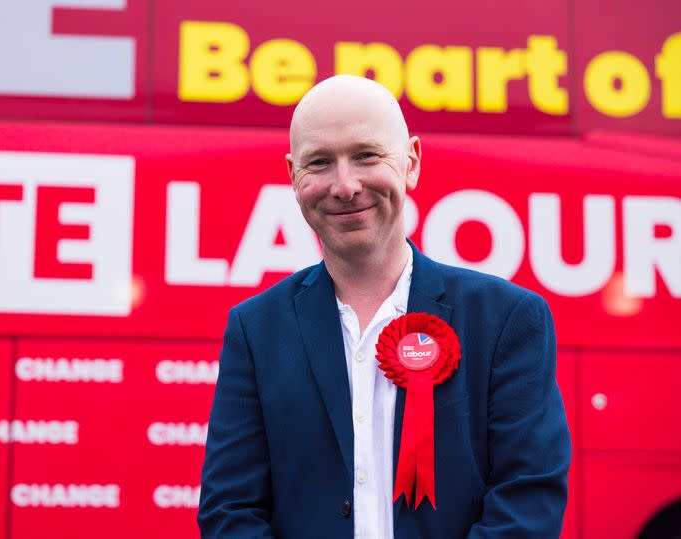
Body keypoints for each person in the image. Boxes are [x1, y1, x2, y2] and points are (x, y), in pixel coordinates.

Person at [197, 75, 571, 538]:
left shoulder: (507, 320)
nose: (344, 184)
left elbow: (527, 502)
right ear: (294, 177)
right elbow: (230, 512)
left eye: (366, 155)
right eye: (319, 162)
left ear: (411, 162)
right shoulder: (255, 330)